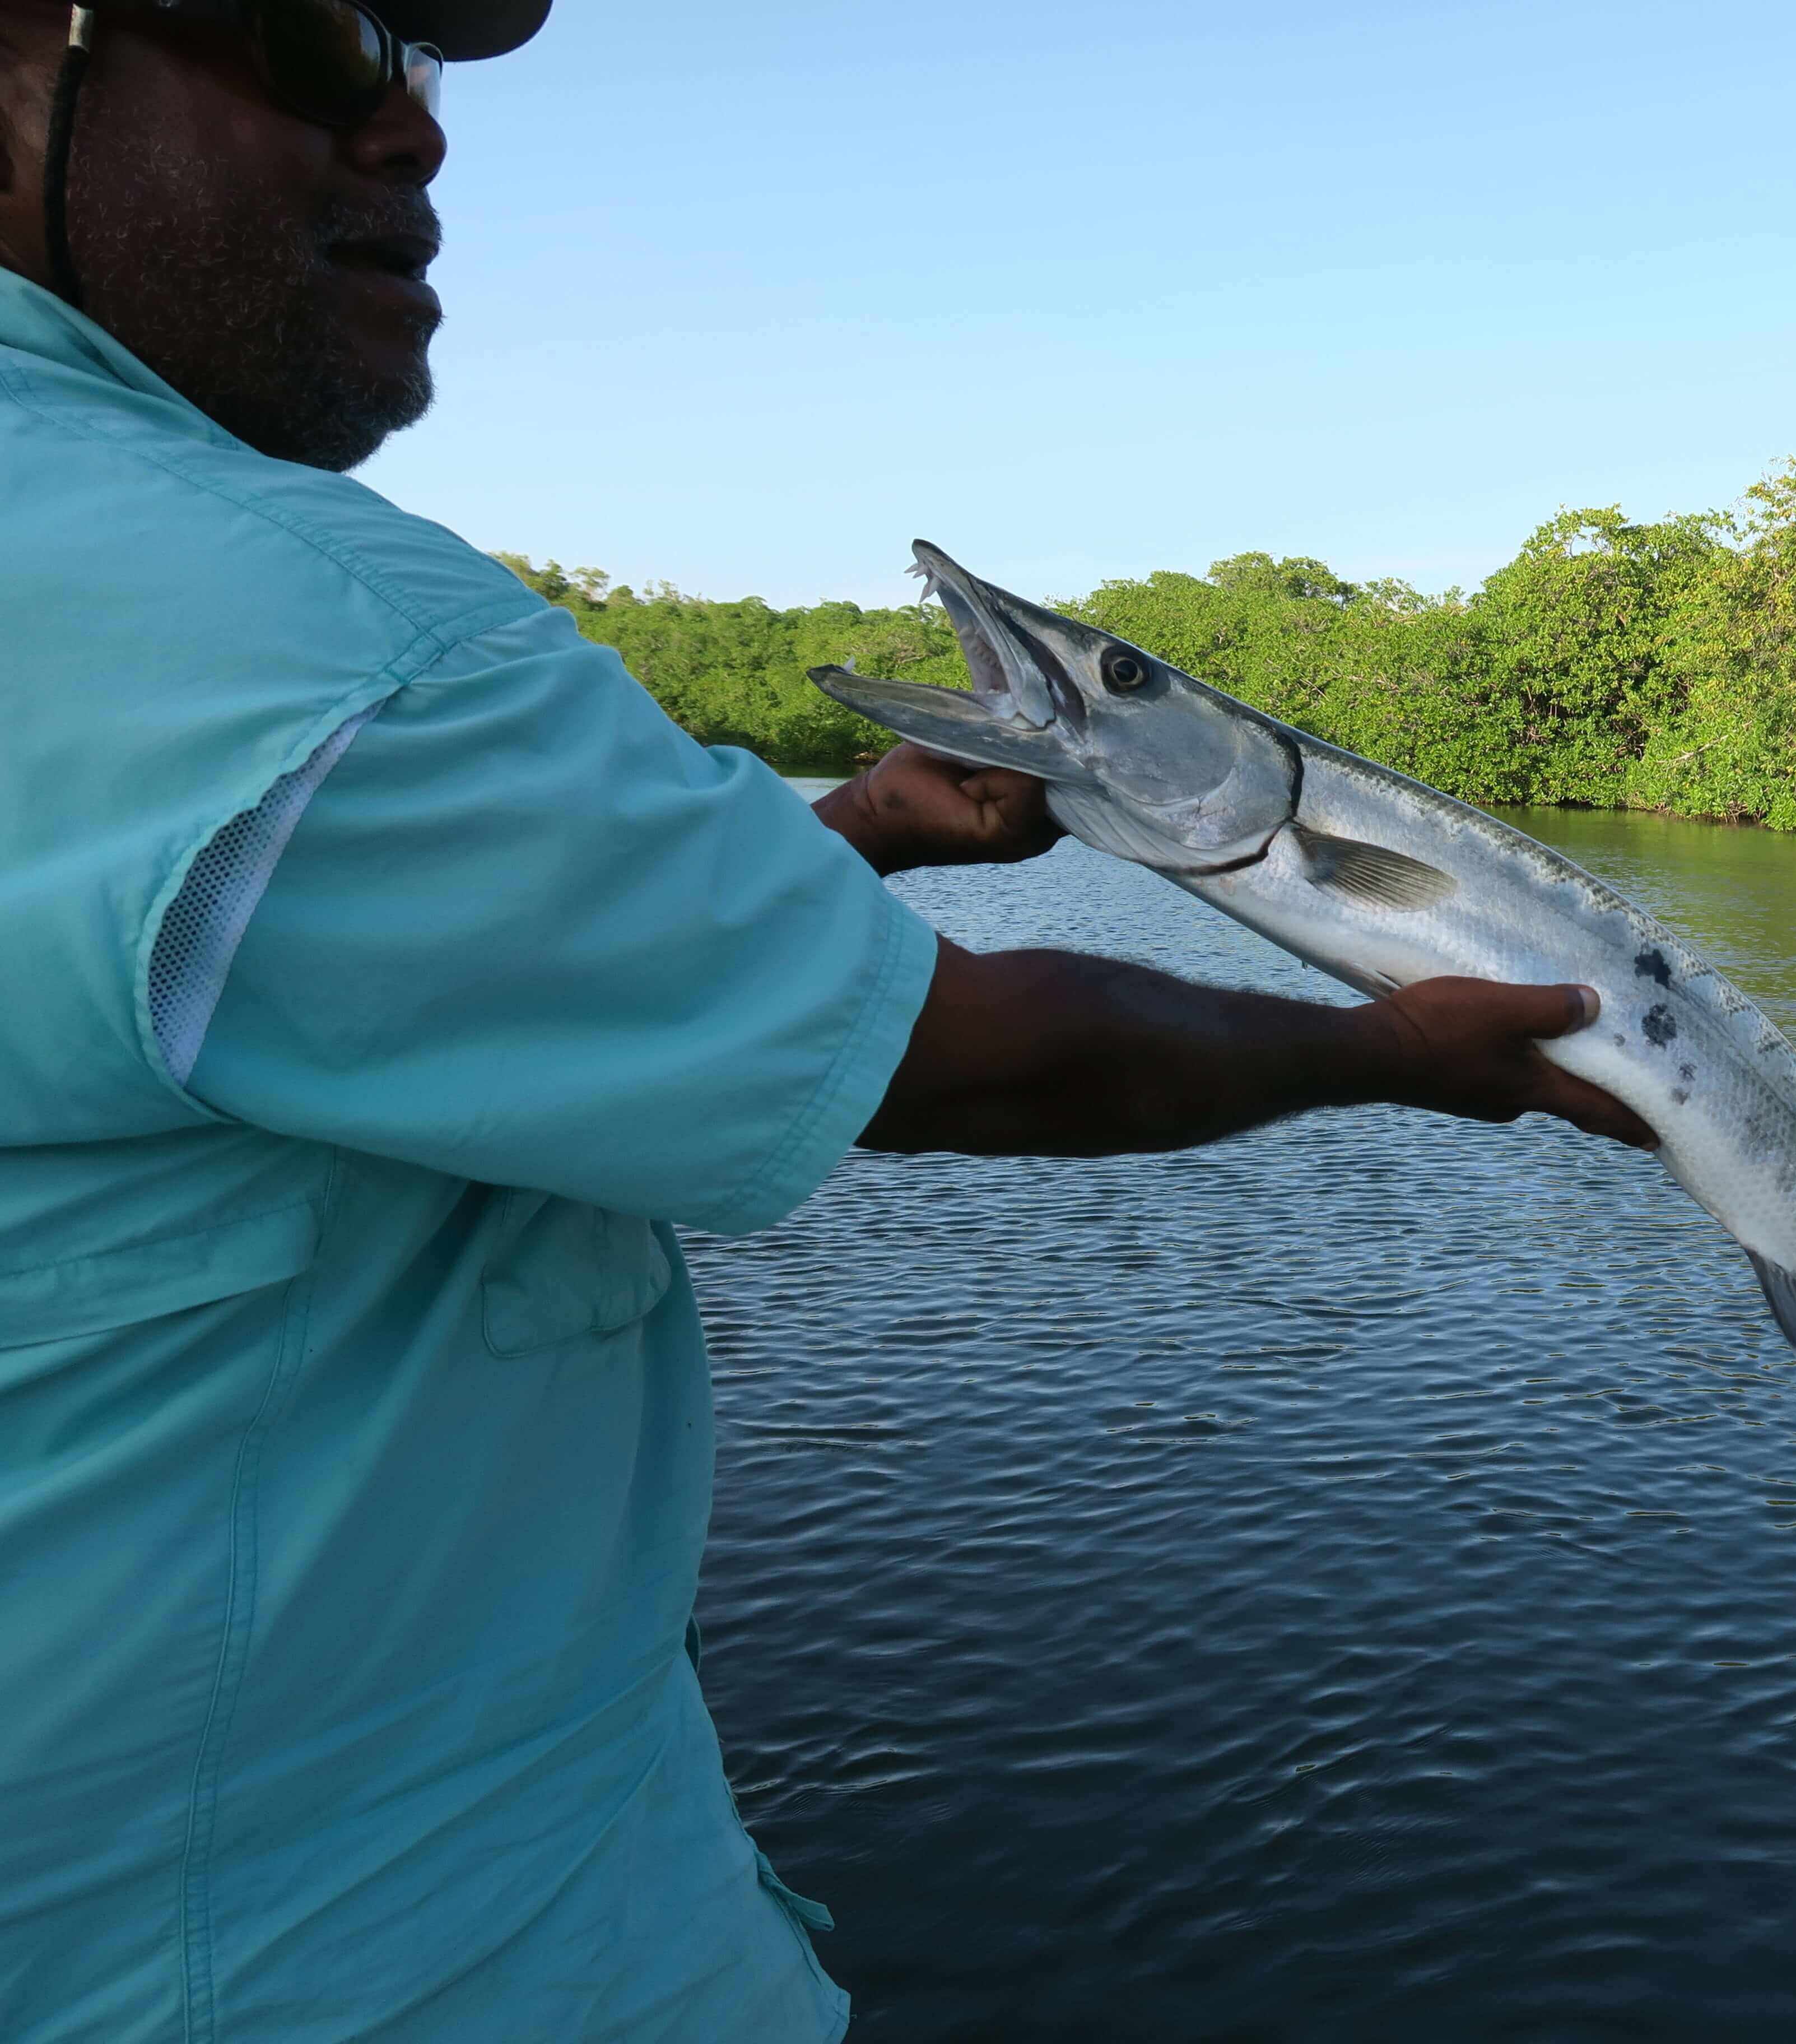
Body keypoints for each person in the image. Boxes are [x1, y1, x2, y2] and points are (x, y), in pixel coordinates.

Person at [0, 4, 1650, 2037]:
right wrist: (1390, 1056)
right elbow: (968, 1059)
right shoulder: (301, 629)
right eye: (331, 34)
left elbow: (378, 958)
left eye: (433, 63)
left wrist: (851, 832)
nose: (416, 134)